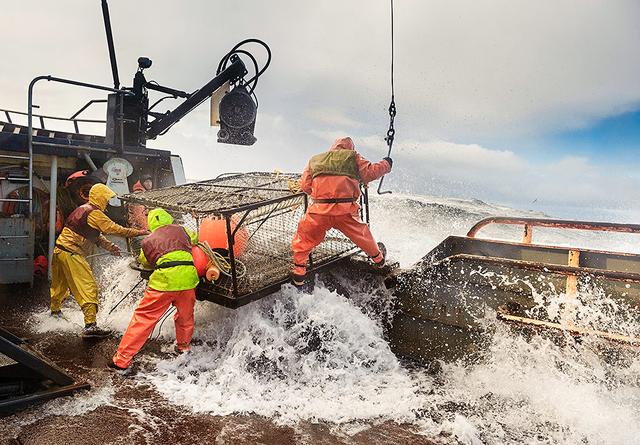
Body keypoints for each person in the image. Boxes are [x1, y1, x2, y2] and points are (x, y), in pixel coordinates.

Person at [291, 137, 392, 286]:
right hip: (345, 212)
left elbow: (306, 186)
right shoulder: (353, 157)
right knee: (363, 235)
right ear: (349, 148)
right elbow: (370, 173)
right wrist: (386, 164)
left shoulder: (315, 160)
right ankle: (379, 260)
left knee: (304, 237)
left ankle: (299, 274)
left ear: (333, 147)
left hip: (320, 210)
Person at [50, 183, 147, 337]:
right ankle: (90, 326)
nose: (107, 202)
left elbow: (94, 235)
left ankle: (55, 313)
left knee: (60, 286)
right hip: (72, 254)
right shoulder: (94, 213)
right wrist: (139, 232)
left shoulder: (82, 209)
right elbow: (115, 229)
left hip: (60, 251)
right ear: (100, 197)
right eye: (106, 199)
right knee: (88, 287)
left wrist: (110, 247)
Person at [111, 208, 199, 371]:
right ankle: (183, 348)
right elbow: (195, 239)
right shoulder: (182, 230)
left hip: (164, 282)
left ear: (151, 223)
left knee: (144, 318)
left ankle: (121, 360)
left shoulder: (148, 240)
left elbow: (146, 262)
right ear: (169, 218)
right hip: (189, 279)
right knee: (185, 316)